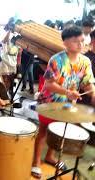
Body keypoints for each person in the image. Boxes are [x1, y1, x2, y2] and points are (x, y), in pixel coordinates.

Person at [31, 26, 95, 178]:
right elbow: (48, 84)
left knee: (60, 131)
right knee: (43, 132)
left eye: (81, 41)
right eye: (75, 42)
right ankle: (36, 162)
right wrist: (67, 92)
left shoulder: (85, 61)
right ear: (65, 43)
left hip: (67, 104)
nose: (80, 45)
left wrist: (93, 92)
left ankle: (50, 157)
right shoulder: (57, 60)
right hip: (50, 103)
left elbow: (87, 82)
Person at [0, 18, 18, 96]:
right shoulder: (5, 33)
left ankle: (10, 93)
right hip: (5, 61)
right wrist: (10, 31)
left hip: (13, 61)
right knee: (4, 80)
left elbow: (18, 50)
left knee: (11, 80)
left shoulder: (17, 35)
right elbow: (4, 41)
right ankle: (3, 95)